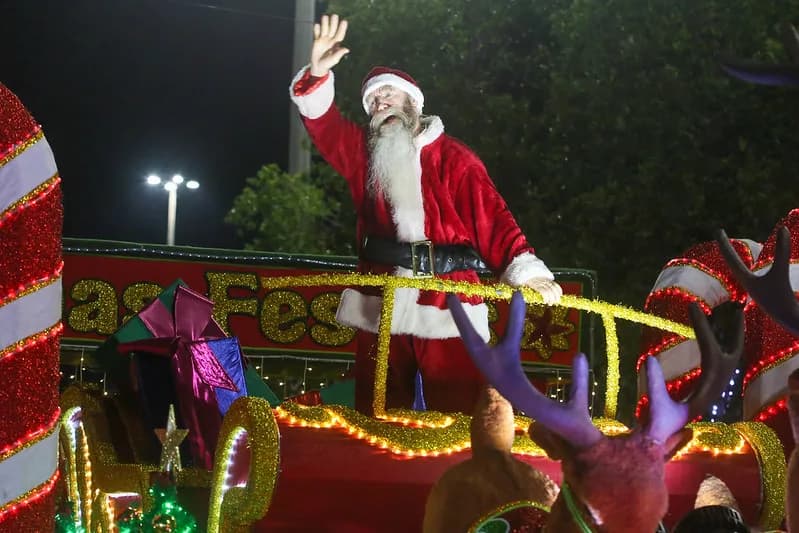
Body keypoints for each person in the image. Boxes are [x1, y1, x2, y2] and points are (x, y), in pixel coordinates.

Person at [289, 14, 562, 415]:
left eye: (390, 96)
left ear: (412, 103)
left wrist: (527, 270)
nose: (382, 104)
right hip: (379, 298)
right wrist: (316, 74)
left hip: (449, 301)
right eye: (374, 101)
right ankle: (377, 476)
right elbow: (322, 124)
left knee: (457, 415)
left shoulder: (454, 158)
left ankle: (456, 477)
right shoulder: (361, 156)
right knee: (375, 415)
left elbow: (491, 216)